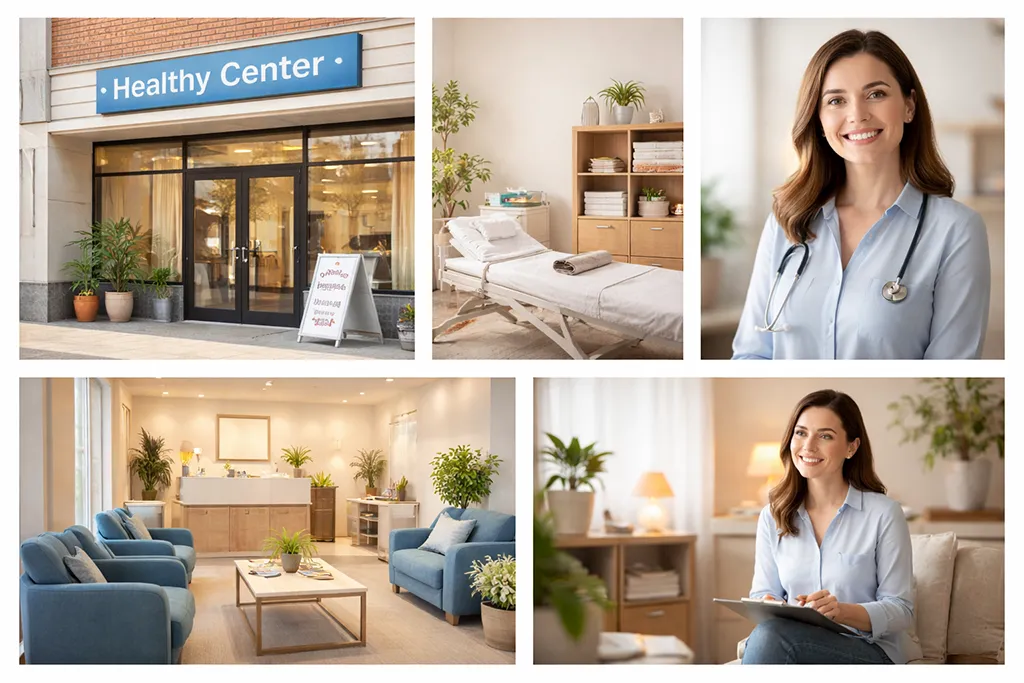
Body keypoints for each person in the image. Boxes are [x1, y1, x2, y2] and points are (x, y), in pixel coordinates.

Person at [732, 29, 990, 359]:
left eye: (876, 94)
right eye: (836, 100)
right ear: (819, 119)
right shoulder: (788, 220)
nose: (857, 114)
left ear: (909, 106)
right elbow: (750, 355)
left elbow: (952, 365)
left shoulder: (956, 231)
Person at [741, 390, 920, 664]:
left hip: (868, 650)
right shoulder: (772, 516)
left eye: (825, 436)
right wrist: (768, 602)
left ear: (852, 447)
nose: (808, 446)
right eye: (800, 433)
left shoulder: (884, 513)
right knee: (768, 633)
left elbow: (901, 610)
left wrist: (841, 611)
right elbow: (764, 592)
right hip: (794, 641)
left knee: (769, 637)